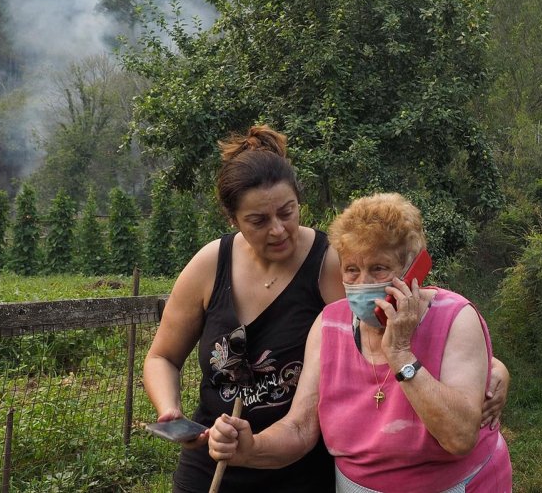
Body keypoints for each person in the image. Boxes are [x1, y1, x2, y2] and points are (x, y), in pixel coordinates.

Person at [143, 126, 509, 492]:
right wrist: (170, 410)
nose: (278, 230)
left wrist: (490, 366)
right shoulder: (210, 264)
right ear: (232, 220)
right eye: (258, 221)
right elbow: (162, 356)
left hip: (301, 469)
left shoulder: (334, 262)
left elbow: (397, 317)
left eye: (287, 212)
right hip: (219, 450)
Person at [207, 193, 512, 492]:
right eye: (351, 270)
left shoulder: (456, 318)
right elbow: (299, 428)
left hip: (459, 485)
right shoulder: (329, 324)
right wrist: (251, 448)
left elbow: (459, 438)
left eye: (379, 268)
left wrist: (401, 354)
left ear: (414, 267)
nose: (363, 283)